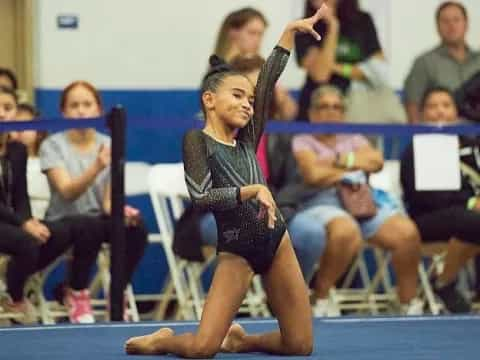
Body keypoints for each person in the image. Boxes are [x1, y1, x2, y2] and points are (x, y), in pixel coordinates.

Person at [124, 7, 329, 357]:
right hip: (238, 248)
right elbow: (202, 197)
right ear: (209, 100)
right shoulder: (197, 140)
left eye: (249, 100)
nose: (248, 104)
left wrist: (289, 33)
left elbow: (266, 84)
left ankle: (242, 340)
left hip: (275, 241)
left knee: (300, 345)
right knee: (203, 349)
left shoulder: (247, 139)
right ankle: (161, 340)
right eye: (237, 95)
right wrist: (252, 189)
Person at [292, 85, 423, 316]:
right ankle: (320, 297)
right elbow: (313, 175)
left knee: (407, 233)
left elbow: (376, 162)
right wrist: (352, 166)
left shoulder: (353, 137)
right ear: (311, 113)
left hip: (361, 200)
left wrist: (337, 160)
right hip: (321, 202)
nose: (331, 112)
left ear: (344, 113)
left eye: (337, 107)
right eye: (323, 107)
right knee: (346, 231)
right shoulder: (302, 139)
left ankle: (406, 302)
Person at [39, 81, 148, 323]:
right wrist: (97, 166)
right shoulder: (52, 145)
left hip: (96, 221)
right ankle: (76, 290)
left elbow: (108, 203)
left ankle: (117, 291)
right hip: (61, 222)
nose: (81, 110)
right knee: (88, 226)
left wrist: (123, 212)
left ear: (99, 109)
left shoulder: (109, 143)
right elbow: (67, 192)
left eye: (87, 104)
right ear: (64, 112)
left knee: (136, 229)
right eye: (74, 105)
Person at [0, 86, 91, 323]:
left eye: (7, 108)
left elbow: (20, 194)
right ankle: (15, 295)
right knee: (27, 240)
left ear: (14, 113)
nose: (1, 114)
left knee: (59, 232)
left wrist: (29, 220)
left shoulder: (17, 150)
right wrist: (24, 224)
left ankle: (13, 279)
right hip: (7, 222)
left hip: (12, 221)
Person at [401, 87, 480, 313]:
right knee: (470, 220)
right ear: (423, 113)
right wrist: (471, 203)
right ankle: (445, 282)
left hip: (465, 217)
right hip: (427, 218)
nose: (440, 112)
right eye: (433, 106)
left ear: (456, 112)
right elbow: (427, 197)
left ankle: (445, 279)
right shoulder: (416, 148)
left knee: (471, 223)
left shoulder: (469, 143)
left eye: (446, 105)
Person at [295, 0, 389, 122]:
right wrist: (333, 26)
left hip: (357, 106)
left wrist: (333, 66)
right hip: (317, 108)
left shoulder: (362, 20)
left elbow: (378, 70)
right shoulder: (304, 25)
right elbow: (321, 75)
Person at [404, 1, 480, 123]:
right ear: (437, 26)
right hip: (440, 137)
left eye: (456, 20)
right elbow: (413, 106)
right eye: (445, 21)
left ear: (466, 24)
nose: (451, 25)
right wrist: (420, 137)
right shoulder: (424, 63)